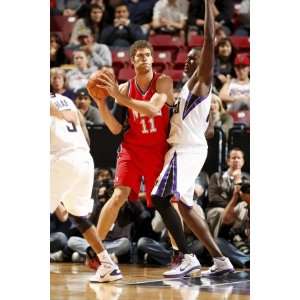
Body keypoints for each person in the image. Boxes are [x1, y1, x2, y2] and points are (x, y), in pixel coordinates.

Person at [97, 0, 234, 278]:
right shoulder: (186, 89)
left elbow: (209, 39)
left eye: (196, 58)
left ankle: (186, 257)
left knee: (161, 197)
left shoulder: (201, 82)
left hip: (185, 150)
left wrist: (207, 4)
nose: (190, 61)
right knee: (184, 205)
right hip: (180, 148)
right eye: (189, 58)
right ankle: (221, 261)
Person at [88, 40, 174, 272]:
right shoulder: (124, 89)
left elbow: (154, 108)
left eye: (148, 54)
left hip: (158, 151)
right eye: (140, 55)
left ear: (153, 59)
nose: (144, 58)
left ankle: (179, 255)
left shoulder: (163, 81)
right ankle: (96, 252)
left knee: (166, 203)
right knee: (118, 196)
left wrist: (118, 96)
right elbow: (116, 129)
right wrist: (101, 103)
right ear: (132, 60)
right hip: (132, 149)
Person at [50, 92, 122, 283]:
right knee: (78, 217)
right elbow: (82, 125)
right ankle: (107, 264)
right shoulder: (65, 100)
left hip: (61, 159)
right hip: (84, 158)